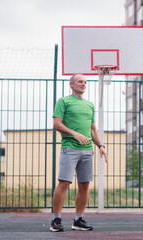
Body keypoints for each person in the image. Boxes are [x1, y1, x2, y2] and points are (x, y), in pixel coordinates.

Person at [50, 74, 108, 232]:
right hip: (70, 148)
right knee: (64, 184)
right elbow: (56, 124)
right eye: (80, 81)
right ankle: (56, 220)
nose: (83, 84)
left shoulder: (89, 105)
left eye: (85, 82)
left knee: (84, 186)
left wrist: (100, 145)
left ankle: (78, 220)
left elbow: (92, 129)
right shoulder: (64, 101)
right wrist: (74, 133)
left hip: (88, 150)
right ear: (71, 85)